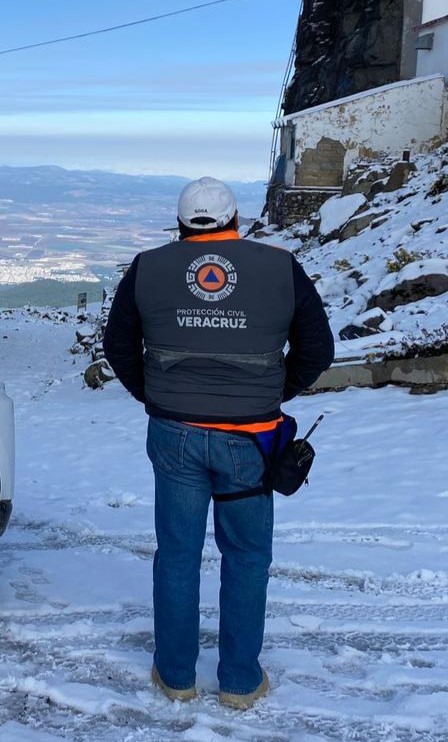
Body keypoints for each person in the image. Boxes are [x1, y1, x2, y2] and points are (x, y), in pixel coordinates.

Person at [103, 177, 334, 709]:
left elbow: (118, 345)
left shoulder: (146, 266)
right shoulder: (280, 266)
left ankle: (176, 677)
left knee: (178, 555)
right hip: (250, 441)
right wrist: (270, 393)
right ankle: (239, 683)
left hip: (174, 435)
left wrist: (156, 396)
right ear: (237, 220)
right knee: (248, 557)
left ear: (181, 224)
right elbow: (318, 347)